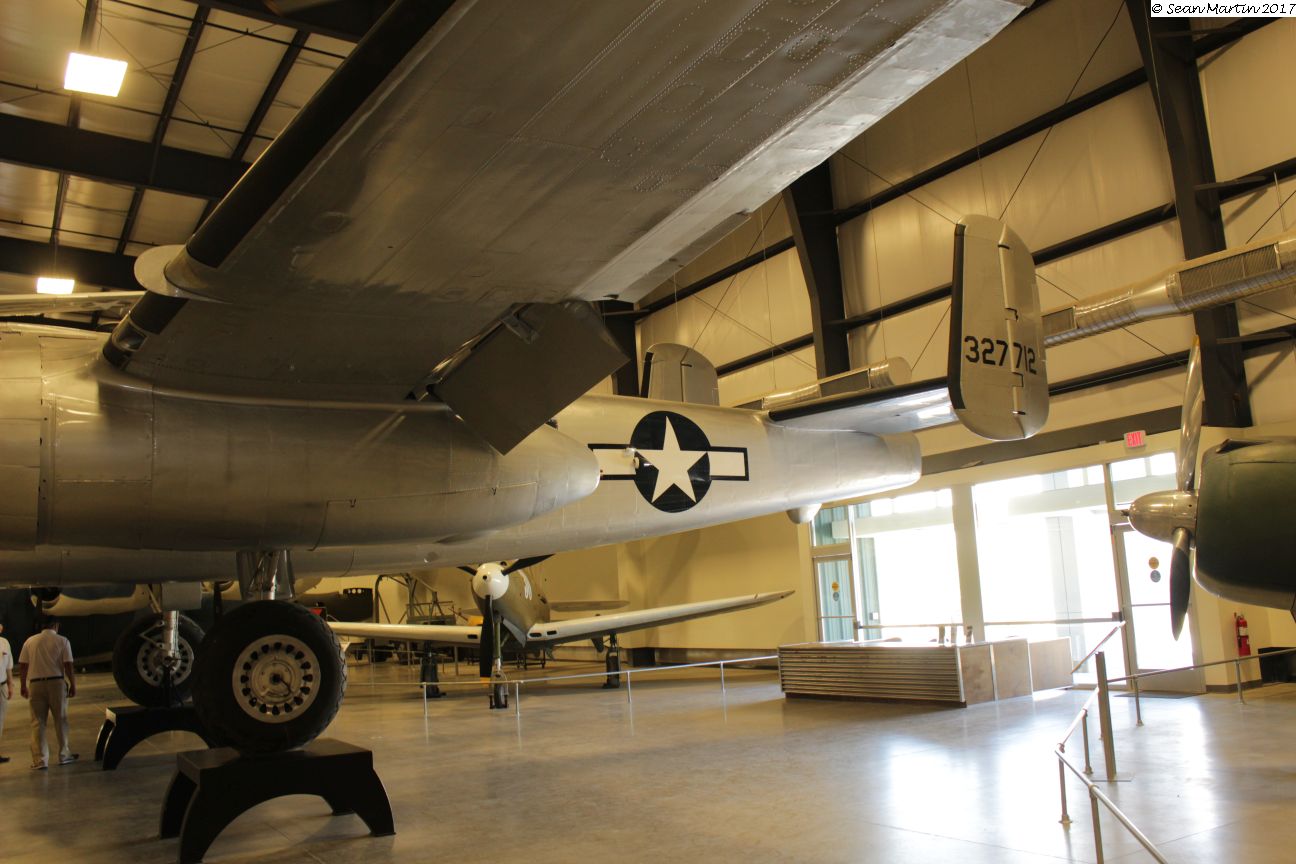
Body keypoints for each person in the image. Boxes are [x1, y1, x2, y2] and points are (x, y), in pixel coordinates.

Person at [18, 617, 77, 770]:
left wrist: (23, 685)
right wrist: (73, 684)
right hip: (56, 683)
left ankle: (40, 760)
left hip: (35, 684)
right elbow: (68, 665)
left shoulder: (30, 641)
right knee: (61, 719)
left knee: (38, 723)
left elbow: (23, 666)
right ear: (56, 625)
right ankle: (64, 755)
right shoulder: (63, 641)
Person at [0, 622, 12, 764]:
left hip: (2, 685)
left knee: (0, 720)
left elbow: (9, 665)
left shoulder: (4, 642)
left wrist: (10, 684)